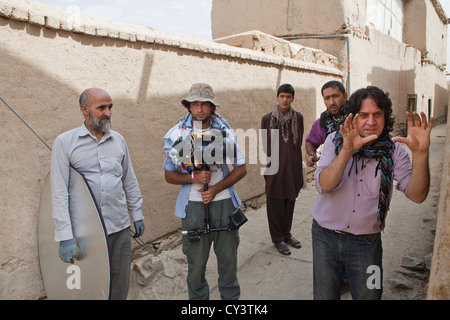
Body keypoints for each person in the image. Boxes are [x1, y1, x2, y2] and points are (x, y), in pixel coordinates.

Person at [311, 86, 434, 300]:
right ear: (352, 117)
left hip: (368, 245)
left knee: (371, 294)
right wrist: (348, 151)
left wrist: (421, 154)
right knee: (324, 296)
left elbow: (417, 195)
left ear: (385, 117)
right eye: (364, 115)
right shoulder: (334, 141)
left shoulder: (394, 151)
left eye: (377, 114)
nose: (371, 121)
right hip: (324, 238)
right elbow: (324, 185)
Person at [51, 88, 145, 300]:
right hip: (85, 232)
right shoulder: (65, 143)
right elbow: (58, 192)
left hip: (118, 225)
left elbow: (129, 180)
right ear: (85, 110)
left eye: (110, 107)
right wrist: (65, 237)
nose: (108, 113)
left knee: (119, 282)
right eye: (101, 107)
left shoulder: (119, 141)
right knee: (89, 285)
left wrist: (136, 213)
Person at [163, 83, 247, 300]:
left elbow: (242, 168)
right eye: (194, 104)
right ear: (189, 107)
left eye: (204, 104)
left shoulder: (224, 132)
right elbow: (169, 175)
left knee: (228, 263)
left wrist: (216, 188)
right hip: (193, 208)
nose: (199, 108)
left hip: (224, 205)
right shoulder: (178, 135)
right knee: (196, 267)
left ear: (212, 107)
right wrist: (194, 177)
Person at [261, 84, 304, 255]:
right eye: (282, 96)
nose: (285, 100)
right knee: (275, 202)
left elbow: (298, 142)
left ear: (293, 98)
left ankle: (287, 234)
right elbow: (266, 146)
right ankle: (277, 239)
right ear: (277, 98)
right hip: (275, 168)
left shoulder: (298, 118)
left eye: (288, 96)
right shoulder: (267, 119)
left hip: (293, 167)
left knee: (290, 201)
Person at [305, 80, 348, 167]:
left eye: (335, 96)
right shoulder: (322, 123)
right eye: (327, 98)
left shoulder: (358, 116)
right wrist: (312, 154)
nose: (331, 102)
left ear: (345, 96)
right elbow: (310, 142)